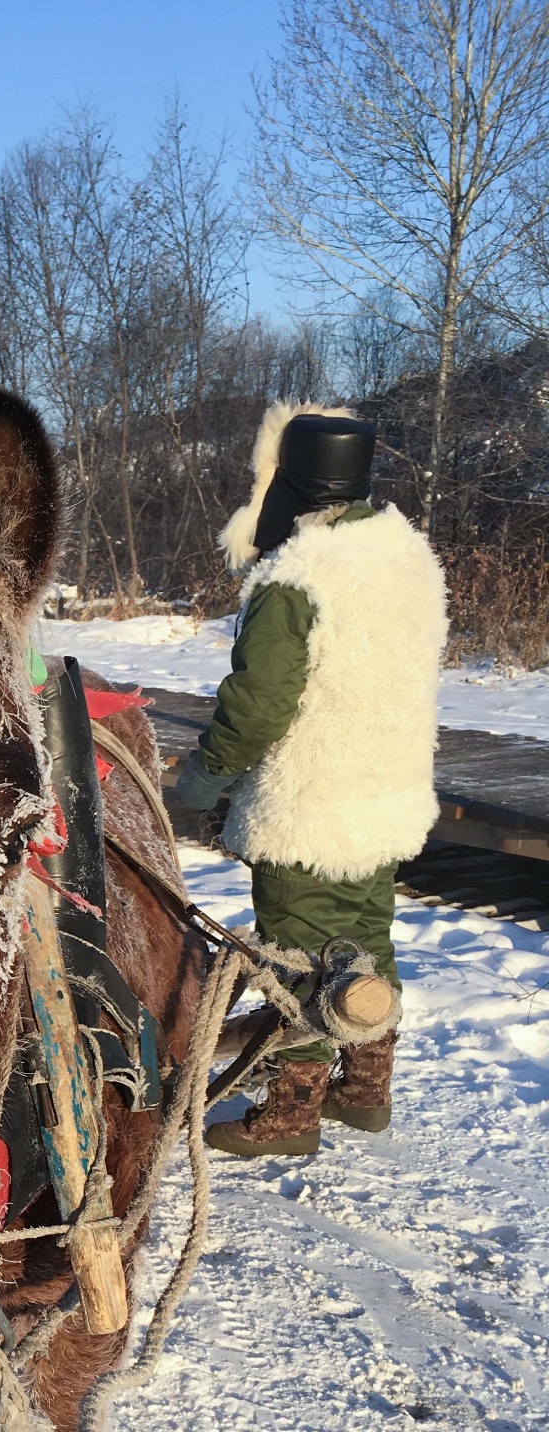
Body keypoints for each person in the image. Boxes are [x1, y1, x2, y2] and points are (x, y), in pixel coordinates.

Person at [174, 404, 447, 1157]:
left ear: (288, 479)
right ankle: (365, 1090)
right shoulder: (408, 558)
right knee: (366, 935)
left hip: (310, 799)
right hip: (387, 792)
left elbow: (259, 702)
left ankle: (288, 1115)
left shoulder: (299, 578)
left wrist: (201, 779)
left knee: (296, 951)